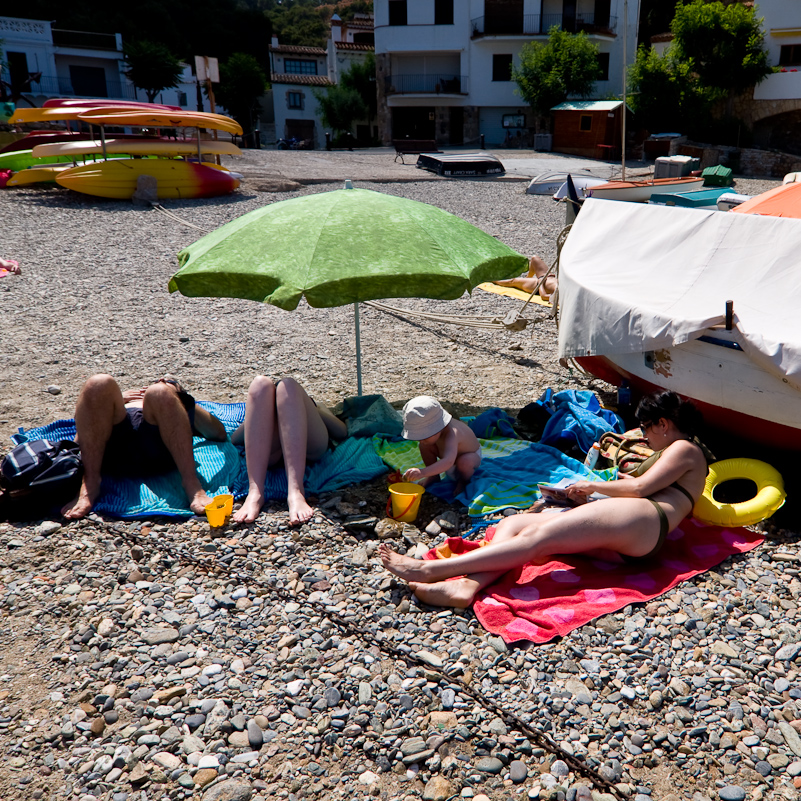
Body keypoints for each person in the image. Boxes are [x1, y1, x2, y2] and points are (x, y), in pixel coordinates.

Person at [380, 391, 708, 608]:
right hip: (633, 526)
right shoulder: (675, 452)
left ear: (664, 424)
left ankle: (428, 570)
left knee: (536, 539)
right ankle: (467, 586)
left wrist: (591, 487)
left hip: (644, 521)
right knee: (514, 523)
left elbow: (639, 491)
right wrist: (595, 492)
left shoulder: (684, 448)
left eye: (647, 428)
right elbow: (642, 487)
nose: (645, 435)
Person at [62, 375, 227, 520]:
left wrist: (180, 399)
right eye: (157, 380)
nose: (161, 380)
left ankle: (192, 485)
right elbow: (81, 438)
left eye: (170, 380)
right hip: (113, 443)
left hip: (158, 445)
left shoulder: (178, 406)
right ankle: (90, 483)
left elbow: (218, 433)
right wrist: (116, 399)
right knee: (99, 383)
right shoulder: (123, 401)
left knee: (159, 393)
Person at [231, 376, 347, 526]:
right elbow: (235, 438)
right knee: (260, 384)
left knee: (288, 386)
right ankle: (255, 491)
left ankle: (296, 491)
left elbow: (341, 431)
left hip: (308, 447)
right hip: (271, 451)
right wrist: (268, 411)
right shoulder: (267, 405)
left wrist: (312, 408)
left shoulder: (308, 402)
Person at [401, 396, 482, 497]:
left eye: (425, 436)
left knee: (465, 461)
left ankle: (463, 481)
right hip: (447, 455)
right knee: (424, 445)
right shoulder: (436, 434)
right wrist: (429, 472)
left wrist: (423, 472)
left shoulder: (452, 433)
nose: (421, 439)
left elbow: (448, 461)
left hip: (469, 457)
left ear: (438, 428)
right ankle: (433, 476)